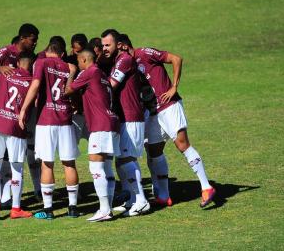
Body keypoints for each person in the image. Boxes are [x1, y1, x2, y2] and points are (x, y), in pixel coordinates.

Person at [118, 34, 216, 208]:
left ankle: (206, 186)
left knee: (182, 144)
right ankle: (163, 195)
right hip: (153, 112)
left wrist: (174, 87)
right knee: (153, 150)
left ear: (123, 46)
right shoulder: (128, 66)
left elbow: (176, 58)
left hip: (169, 105)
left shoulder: (144, 53)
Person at [0, 24, 39, 214]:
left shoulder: (31, 59)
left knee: (4, 157)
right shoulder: (4, 52)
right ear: (23, 38)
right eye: (33, 39)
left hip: (7, 114)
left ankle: (3, 197)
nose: (35, 43)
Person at [19, 41, 80, 220]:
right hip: (65, 120)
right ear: (61, 54)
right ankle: (73, 207)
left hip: (46, 120)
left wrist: (24, 109)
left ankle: (49, 209)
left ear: (47, 51)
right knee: (69, 163)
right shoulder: (68, 67)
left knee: (47, 163)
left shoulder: (42, 63)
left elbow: (36, 85)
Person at [65, 49, 120, 222]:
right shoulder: (102, 74)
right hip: (112, 122)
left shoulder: (90, 72)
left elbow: (67, 91)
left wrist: (72, 72)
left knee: (96, 168)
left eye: (78, 61)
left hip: (100, 125)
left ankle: (104, 210)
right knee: (107, 167)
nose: (78, 64)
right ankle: (108, 208)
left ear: (83, 59)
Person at [101, 29, 150, 216]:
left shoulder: (124, 60)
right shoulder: (116, 61)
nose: (105, 49)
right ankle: (132, 199)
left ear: (118, 44)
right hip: (125, 116)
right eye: (103, 45)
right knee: (121, 161)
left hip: (131, 116)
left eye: (108, 45)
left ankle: (142, 200)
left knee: (128, 159)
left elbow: (111, 85)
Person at [0, 52, 35, 219]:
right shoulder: (32, 81)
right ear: (32, 64)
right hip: (16, 127)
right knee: (16, 167)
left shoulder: (5, 73)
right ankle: (16, 208)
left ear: (18, 62)